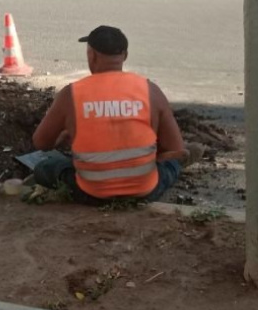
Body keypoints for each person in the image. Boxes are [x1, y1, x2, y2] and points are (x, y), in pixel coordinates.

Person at [30, 26, 202, 204]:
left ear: (92, 55)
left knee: (46, 167)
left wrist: (64, 136)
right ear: (125, 55)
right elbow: (176, 149)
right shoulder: (150, 90)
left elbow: (41, 142)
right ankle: (162, 165)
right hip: (145, 191)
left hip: (91, 194)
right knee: (171, 163)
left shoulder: (71, 94)